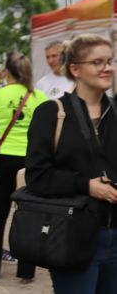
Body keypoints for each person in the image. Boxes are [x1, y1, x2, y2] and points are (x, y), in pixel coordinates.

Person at [26, 33, 117, 294]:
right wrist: (86, 186)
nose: (108, 68)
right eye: (97, 62)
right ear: (75, 69)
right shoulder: (51, 113)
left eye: (110, 61)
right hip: (74, 236)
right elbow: (37, 177)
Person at [0, 52, 47, 283]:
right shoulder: (39, 97)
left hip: (5, 159)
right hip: (30, 160)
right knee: (27, 212)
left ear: (7, 71)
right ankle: (26, 272)